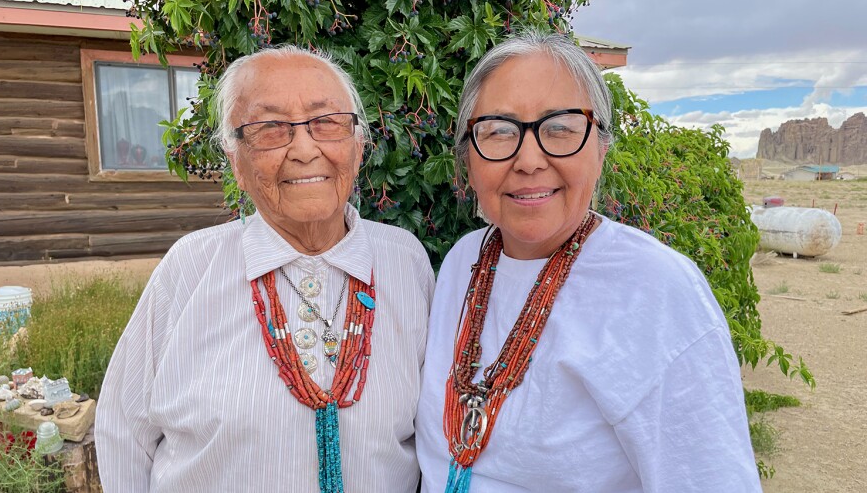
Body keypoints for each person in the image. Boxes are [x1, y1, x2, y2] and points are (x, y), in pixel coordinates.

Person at [415, 31, 761, 492]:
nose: (529, 159)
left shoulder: (655, 290)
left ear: (600, 148)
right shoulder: (463, 263)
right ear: (468, 158)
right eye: (499, 130)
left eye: (559, 127)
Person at [96, 45, 434, 492]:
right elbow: (124, 433)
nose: (304, 148)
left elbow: (435, 437)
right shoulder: (191, 267)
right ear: (236, 161)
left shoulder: (404, 261)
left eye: (326, 122)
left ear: (358, 148)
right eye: (271, 128)